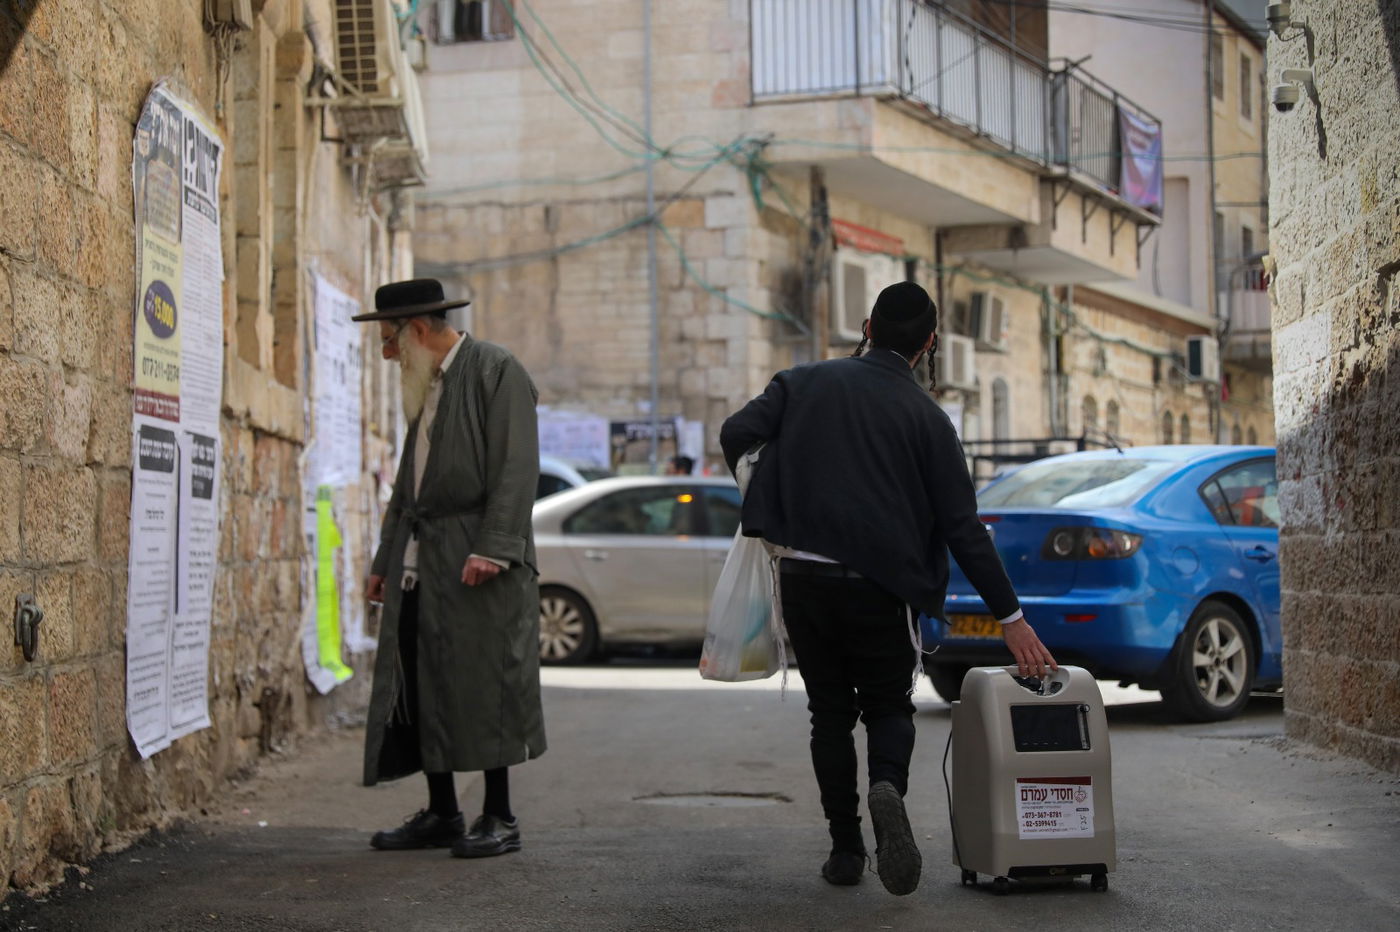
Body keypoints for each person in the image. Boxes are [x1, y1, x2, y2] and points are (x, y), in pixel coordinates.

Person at [719, 281, 1056, 896]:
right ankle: (886, 788)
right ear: (930, 343)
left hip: (803, 577)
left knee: (828, 713)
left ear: (868, 326)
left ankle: (845, 851)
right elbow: (962, 529)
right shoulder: (928, 418)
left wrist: (771, 499)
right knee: (888, 707)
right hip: (882, 588)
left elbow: (735, 433)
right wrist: (1011, 618)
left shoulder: (802, 383)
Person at [355, 278, 546, 859]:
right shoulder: (426, 383)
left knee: (486, 681)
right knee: (423, 677)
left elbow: (517, 466)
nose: (386, 354)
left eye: (389, 340)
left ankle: (500, 815)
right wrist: (386, 558)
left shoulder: (495, 369)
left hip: (477, 554)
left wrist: (494, 546)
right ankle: (443, 812)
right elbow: (407, 484)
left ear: (417, 330)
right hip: (424, 556)